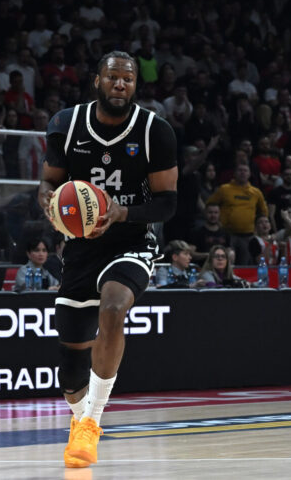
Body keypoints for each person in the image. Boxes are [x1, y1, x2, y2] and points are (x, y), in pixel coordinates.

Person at [38, 51, 177, 469]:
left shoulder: (155, 131)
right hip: (81, 248)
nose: (120, 84)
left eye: (128, 79)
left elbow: (168, 203)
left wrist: (121, 212)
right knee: (71, 366)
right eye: (113, 77)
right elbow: (48, 183)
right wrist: (50, 204)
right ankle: (79, 418)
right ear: (97, 80)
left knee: (114, 308)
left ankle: (91, 423)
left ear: (135, 85)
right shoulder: (66, 124)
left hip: (132, 240)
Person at [206, 162, 268, 265]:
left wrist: (259, 229)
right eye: (240, 170)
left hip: (248, 235)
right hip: (227, 234)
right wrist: (216, 223)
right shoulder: (224, 189)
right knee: (226, 263)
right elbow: (210, 204)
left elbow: (263, 212)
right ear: (234, 173)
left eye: (245, 171)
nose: (242, 173)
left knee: (245, 265)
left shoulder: (256, 192)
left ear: (249, 174)